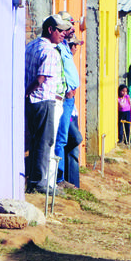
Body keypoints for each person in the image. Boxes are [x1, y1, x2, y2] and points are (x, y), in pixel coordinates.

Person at [25, 14, 71, 194]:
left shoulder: (31, 45)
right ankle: (40, 182)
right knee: (45, 141)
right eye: (60, 31)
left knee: (37, 141)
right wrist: (29, 90)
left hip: (33, 101)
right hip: (44, 99)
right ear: (50, 30)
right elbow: (41, 78)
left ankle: (35, 179)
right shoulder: (50, 52)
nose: (63, 34)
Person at [53, 11, 80, 185]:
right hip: (64, 98)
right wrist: (68, 90)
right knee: (63, 138)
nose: (71, 28)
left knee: (69, 138)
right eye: (68, 25)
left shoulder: (65, 44)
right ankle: (59, 176)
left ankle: (66, 177)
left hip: (70, 100)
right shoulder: (58, 47)